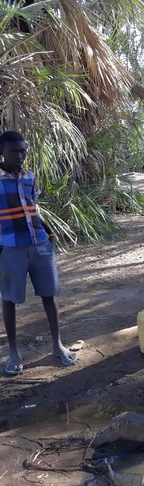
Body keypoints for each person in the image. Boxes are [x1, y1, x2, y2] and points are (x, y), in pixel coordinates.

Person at [0, 131, 77, 375]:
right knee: (9, 298)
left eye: (23, 151)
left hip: (39, 242)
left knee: (49, 293)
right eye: (14, 151)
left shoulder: (29, 177)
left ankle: (57, 345)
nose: (20, 156)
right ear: (2, 151)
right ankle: (14, 352)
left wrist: (50, 233)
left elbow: (33, 208)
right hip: (9, 246)